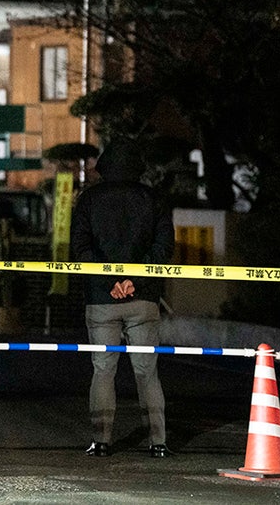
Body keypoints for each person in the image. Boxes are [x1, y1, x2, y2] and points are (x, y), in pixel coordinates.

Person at [70, 139, 175, 458]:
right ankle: (158, 441)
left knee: (103, 369)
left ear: (105, 166)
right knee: (147, 371)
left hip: (102, 299)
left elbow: (80, 248)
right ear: (137, 168)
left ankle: (100, 441)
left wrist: (109, 281)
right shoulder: (154, 200)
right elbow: (163, 248)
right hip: (143, 298)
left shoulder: (89, 200)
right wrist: (133, 280)